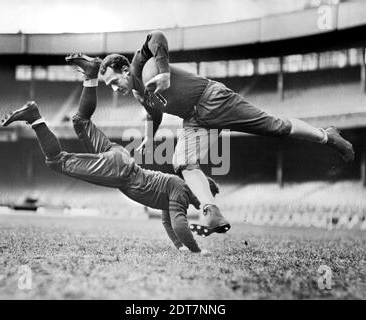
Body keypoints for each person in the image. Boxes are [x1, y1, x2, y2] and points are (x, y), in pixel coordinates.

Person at [97, 30, 355, 236]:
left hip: (213, 99)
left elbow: (157, 36)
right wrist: (147, 137)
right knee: (183, 162)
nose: (113, 88)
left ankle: (326, 136)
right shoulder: (137, 92)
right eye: (108, 86)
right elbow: (156, 114)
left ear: (123, 70)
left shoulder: (139, 64)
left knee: (275, 127)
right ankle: (211, 212)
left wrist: (163, 72)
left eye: (113, 81)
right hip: (195, 119)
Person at [0, 54, 220, 254]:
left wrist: (181, 246)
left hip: (120, 157)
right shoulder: (180, 192)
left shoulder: (176, 188)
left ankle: (91, 74)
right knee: (57, 161)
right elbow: (179, 223)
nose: (203, 205)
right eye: (204, 199)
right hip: (121, 171)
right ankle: (35, 117)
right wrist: (196, 251)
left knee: (80, 121)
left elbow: (168, 223)